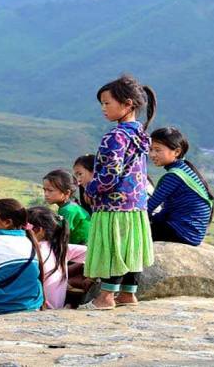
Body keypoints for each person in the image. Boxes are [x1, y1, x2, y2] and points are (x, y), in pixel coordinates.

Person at [81, 74, 157, 310]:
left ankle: (105, 298)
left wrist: (91, 188)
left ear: (128, 104)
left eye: (107, 103)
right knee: (130, 248)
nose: (104, 109)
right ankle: (128, 295)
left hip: (113, 205)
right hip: (136, 203)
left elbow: (110, 173)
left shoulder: (115, 136)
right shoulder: (140, 135)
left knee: (113, 249)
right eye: (102, 104)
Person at [148, 127, 214, 246]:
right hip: (191, 232)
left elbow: (149, 206)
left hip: (182, 232)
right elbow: (169, 208)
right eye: (150, 149)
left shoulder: (174, 176)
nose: (152, 154)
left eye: (157, 150)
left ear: (177, 152)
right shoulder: (184, 170)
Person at [27, 206, 87, 309]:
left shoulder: (29, 250)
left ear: (38, 230)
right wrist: (91, 277)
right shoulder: (61, 248)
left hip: (38, 308)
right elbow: (91, 253)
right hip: (56, 307)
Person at [43, 169, 91, 245]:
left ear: (67, 192)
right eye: (44, 190)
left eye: (50, 190)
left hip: (83, 249)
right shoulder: (68, 207)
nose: (46, 194)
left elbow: (61, 236)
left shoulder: (68, 210)